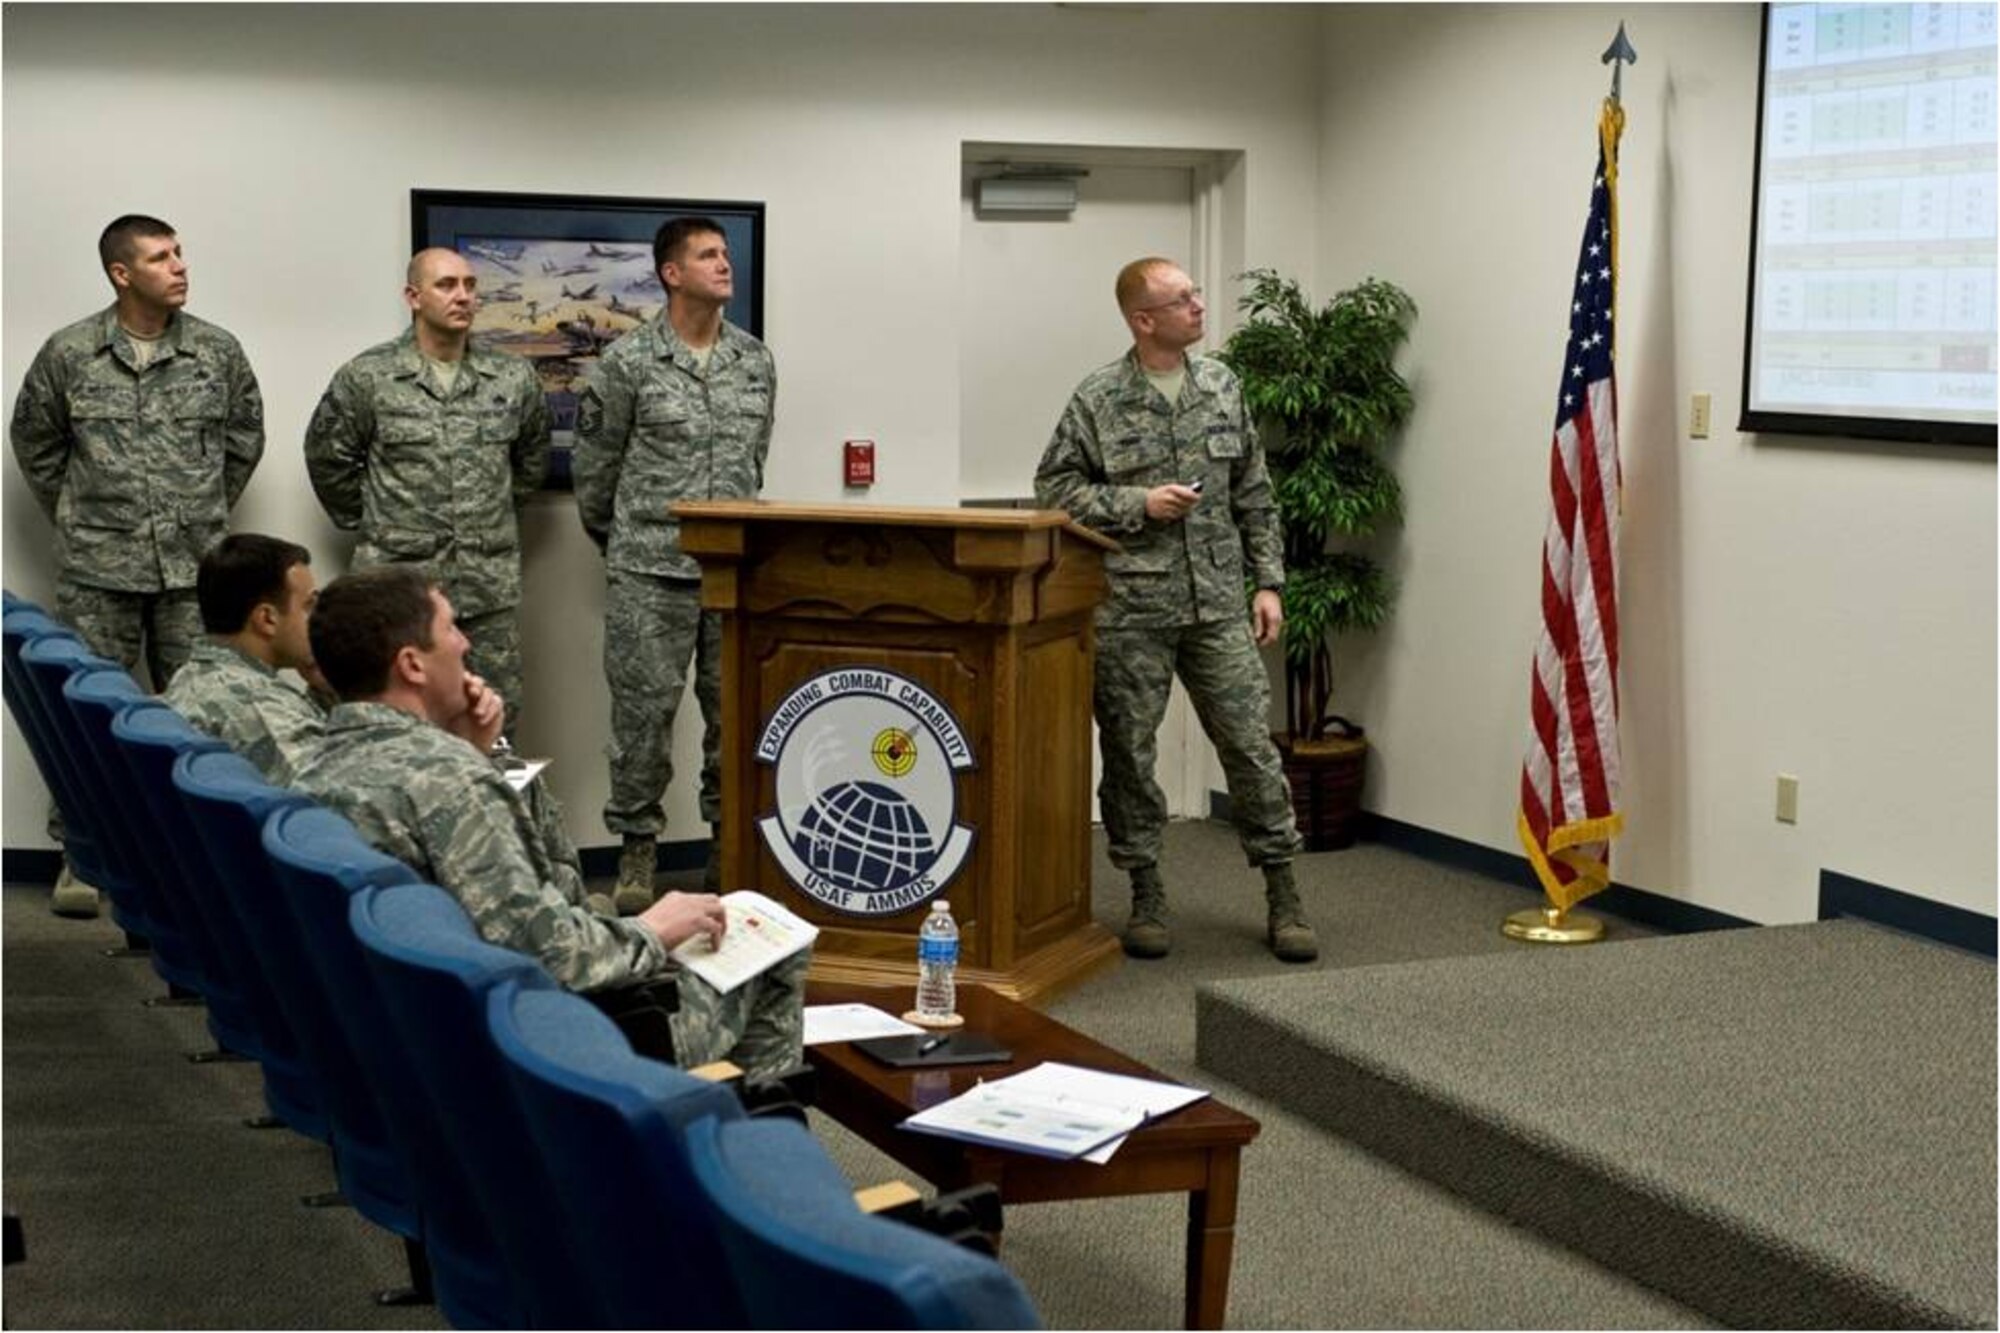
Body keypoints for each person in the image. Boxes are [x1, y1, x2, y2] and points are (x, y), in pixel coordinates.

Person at [291, 565, 805, 1075]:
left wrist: (473, 752)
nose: (466, 642)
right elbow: (556, 957)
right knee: (772, 942)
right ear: (412, 665)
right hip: (535, 1056)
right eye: (450, 627)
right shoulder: (452, 783)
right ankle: (734, 1122)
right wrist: (653, 929)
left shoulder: (311, 774)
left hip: (400, 1043)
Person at [1034, 257, 1317, 963]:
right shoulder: (1099, 397)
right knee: (1130, 754)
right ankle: (1146, 892)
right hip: (1131, 609)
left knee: (1250, 747)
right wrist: (1139, 502)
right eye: (1182, 298)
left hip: (1217, 603)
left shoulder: (1222, 385)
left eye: (1195, 294)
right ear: (1143, 319)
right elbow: (1055, 488)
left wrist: (1269, 582)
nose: (1198, 305)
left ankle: (1284, 892)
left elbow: (1255, 491)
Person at [10, 213, 265, 916]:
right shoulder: (70, 353)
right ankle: (83, 856)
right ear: (121, 274)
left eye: (180, 252)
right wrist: (86, 515)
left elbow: (243, 442)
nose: (179, 266)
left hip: (192, 572)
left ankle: (199, 860)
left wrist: (195, 514)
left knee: (202, 719)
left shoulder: (217, 351)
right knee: (87, 717)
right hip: (99, 571)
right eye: (160, 257)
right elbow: (35, 443)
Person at [573, 216, 776, 915]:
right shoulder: (628, 362)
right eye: (708, 255)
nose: (724, 264)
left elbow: (754, 459)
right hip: (648, 573)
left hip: (733, 575)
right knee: (642, 721)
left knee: (735, 718)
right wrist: (631, 543)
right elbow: (595, 476)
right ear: (671, 273)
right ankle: (637, 852)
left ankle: (727, 848)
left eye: (725, 253)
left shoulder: (755, 360)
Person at [303, 247, 550, 735]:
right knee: (390, 722)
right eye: (446, 285)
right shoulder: (368, 377)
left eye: (470, 285)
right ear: (413, 297)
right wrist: (375, 523)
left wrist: (488, 518)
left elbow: (531, 463)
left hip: (486, 588)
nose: (463, 296)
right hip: (397, 588)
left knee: (495, 720)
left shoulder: (512, 377)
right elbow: (327, 458)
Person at [161, 533, 326, 783]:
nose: (322, 619)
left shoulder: (196, 673)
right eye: (309, 606)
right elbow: (343, 797)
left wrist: (327, 691)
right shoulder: (261, 709)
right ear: (267, 619)